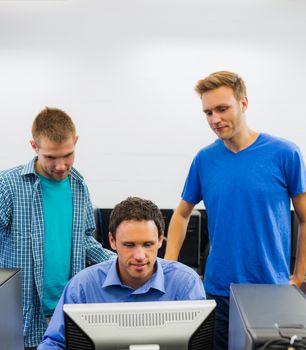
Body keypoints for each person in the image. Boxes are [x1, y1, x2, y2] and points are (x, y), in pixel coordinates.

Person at [164, 71, 306, 349]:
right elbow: (181, 214)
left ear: (243, 103)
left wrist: (299, 276)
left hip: (272, 290)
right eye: (207, 112)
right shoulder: (204, 159)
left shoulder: (285, 153)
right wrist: (169, 268)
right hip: (219, 291)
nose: (214, 119)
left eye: (222, 109)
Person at [0, 107, 115, 350]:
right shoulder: (8, 185)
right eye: (51, 157)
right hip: (21, 317)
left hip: (67, 310)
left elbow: (84, 240)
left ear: (75, 142)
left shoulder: (79, 186)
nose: (61, 166)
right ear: (34, 146)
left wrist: (121, 260)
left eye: (68, 155)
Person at [37, 196, 206, 349]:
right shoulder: (83, 286)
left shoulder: (185, 283)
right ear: (112, 241)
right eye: (129, 245)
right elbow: (54, 343)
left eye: (148, 244)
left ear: (160, 240)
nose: (140, 256)